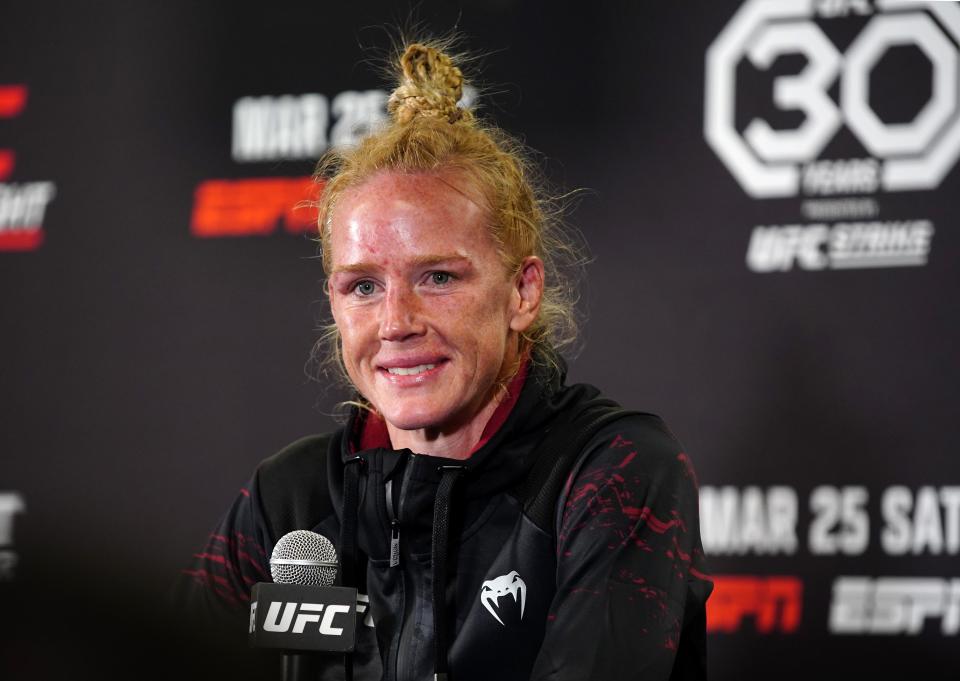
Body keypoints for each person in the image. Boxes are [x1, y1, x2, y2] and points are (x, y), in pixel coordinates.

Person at [178, 42, 712, 681]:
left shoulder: (611, 471)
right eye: (364, 286)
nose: (397, 323)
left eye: (437, 277)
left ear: (522, 291)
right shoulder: (290, 500)